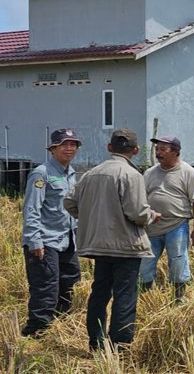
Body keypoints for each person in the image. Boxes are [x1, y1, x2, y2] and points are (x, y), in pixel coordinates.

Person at [64, 129, 160, 351]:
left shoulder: (90, 173)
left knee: (99, 292)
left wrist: (90, 215)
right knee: (125, 295)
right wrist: (152, 216)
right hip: (126, 245)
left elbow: (69, 202)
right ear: (135, 150)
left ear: (109, 148)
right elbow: (137, 213)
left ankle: (96, 343)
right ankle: (120, 345)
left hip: (98, 245)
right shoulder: (132, 175)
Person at [20, 128, 83, 337]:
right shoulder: (42, 173)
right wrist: (34, 241)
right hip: (45, 240)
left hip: (67, 239)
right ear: (53, 148)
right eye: (64, 144)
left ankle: (61, 325)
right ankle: (37, 331)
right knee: (46, 286)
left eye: (73, 144)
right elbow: (32, 208)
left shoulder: (71, 173)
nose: (69, 148)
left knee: (70, 281)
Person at [139, 135, 194, 303]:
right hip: (151, 227)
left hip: (176, 225)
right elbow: (140, 199)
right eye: (157, 149)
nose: (158, 153)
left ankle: (179, 298)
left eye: (163, 149)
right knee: (145, 263)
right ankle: (148, 299)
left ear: (175, 152)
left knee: (178, 261)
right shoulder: (150, 173)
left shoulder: (188, 172)